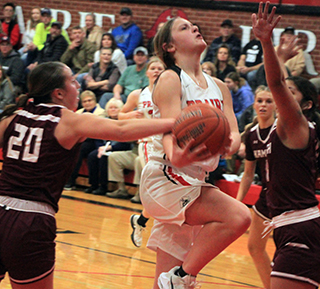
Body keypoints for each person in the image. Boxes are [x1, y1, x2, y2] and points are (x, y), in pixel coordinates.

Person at [0, 61, 174, 289]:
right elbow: (121, 131)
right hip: (31, 221)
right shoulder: (69, 120)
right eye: (73, 80)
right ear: (59, 93)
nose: (78, 86)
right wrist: (175, 122)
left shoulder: (11, 118)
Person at [140, 17, 251, 289]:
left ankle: (174, 278)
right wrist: (175, 153)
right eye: (184, 28)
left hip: (195, 179)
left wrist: (229, 144)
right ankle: (183, 276)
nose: (195, 28)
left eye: (194, 26)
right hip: (167, 176)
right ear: (169, 46)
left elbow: (234, 133)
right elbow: (170, 127)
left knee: (161, 284)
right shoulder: (170, 78)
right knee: (239, 217)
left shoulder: (219, 86)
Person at [251, 2, 320, 288]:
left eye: (292, 95)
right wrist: (277, 53)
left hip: (299, 229)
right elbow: (281, 81)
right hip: (291, 225)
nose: (281, 97)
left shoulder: (296, 126)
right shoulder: (291, 128)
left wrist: (267, 43)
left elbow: (277, 83)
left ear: (304, 105)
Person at [236, 85, 276, 289]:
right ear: (254, 104)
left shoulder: (282, 129)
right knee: (254, 246)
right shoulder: (251, 134)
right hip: (266, 196)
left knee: (287, 253)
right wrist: (237, 202)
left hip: (288, 197)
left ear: (276, 105)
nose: (263, 105)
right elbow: (248, 174)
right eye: (260, 100)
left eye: (269, 101)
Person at [86, 98, 131, 195]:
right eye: (111, 108)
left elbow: (126, 143)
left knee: (104, 157)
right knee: (92, 156)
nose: (113, 109)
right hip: (104, 147)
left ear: (121, 110)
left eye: (116, 108)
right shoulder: (104, 121)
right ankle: (93, 185)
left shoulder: (124, 122)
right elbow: (97, 137)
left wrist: (110, 148)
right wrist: (100, 147)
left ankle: (103, 187)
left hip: (118, 148)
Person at [64, 90, 107, 190]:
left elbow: (95, 130)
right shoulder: (78, 113)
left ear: (95, 101)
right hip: (80, 138)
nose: (87, 103)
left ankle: (71, 180)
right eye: (84, 101)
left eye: (89, 100)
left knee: (79, 149)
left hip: (95, 140)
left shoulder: (101, 113)